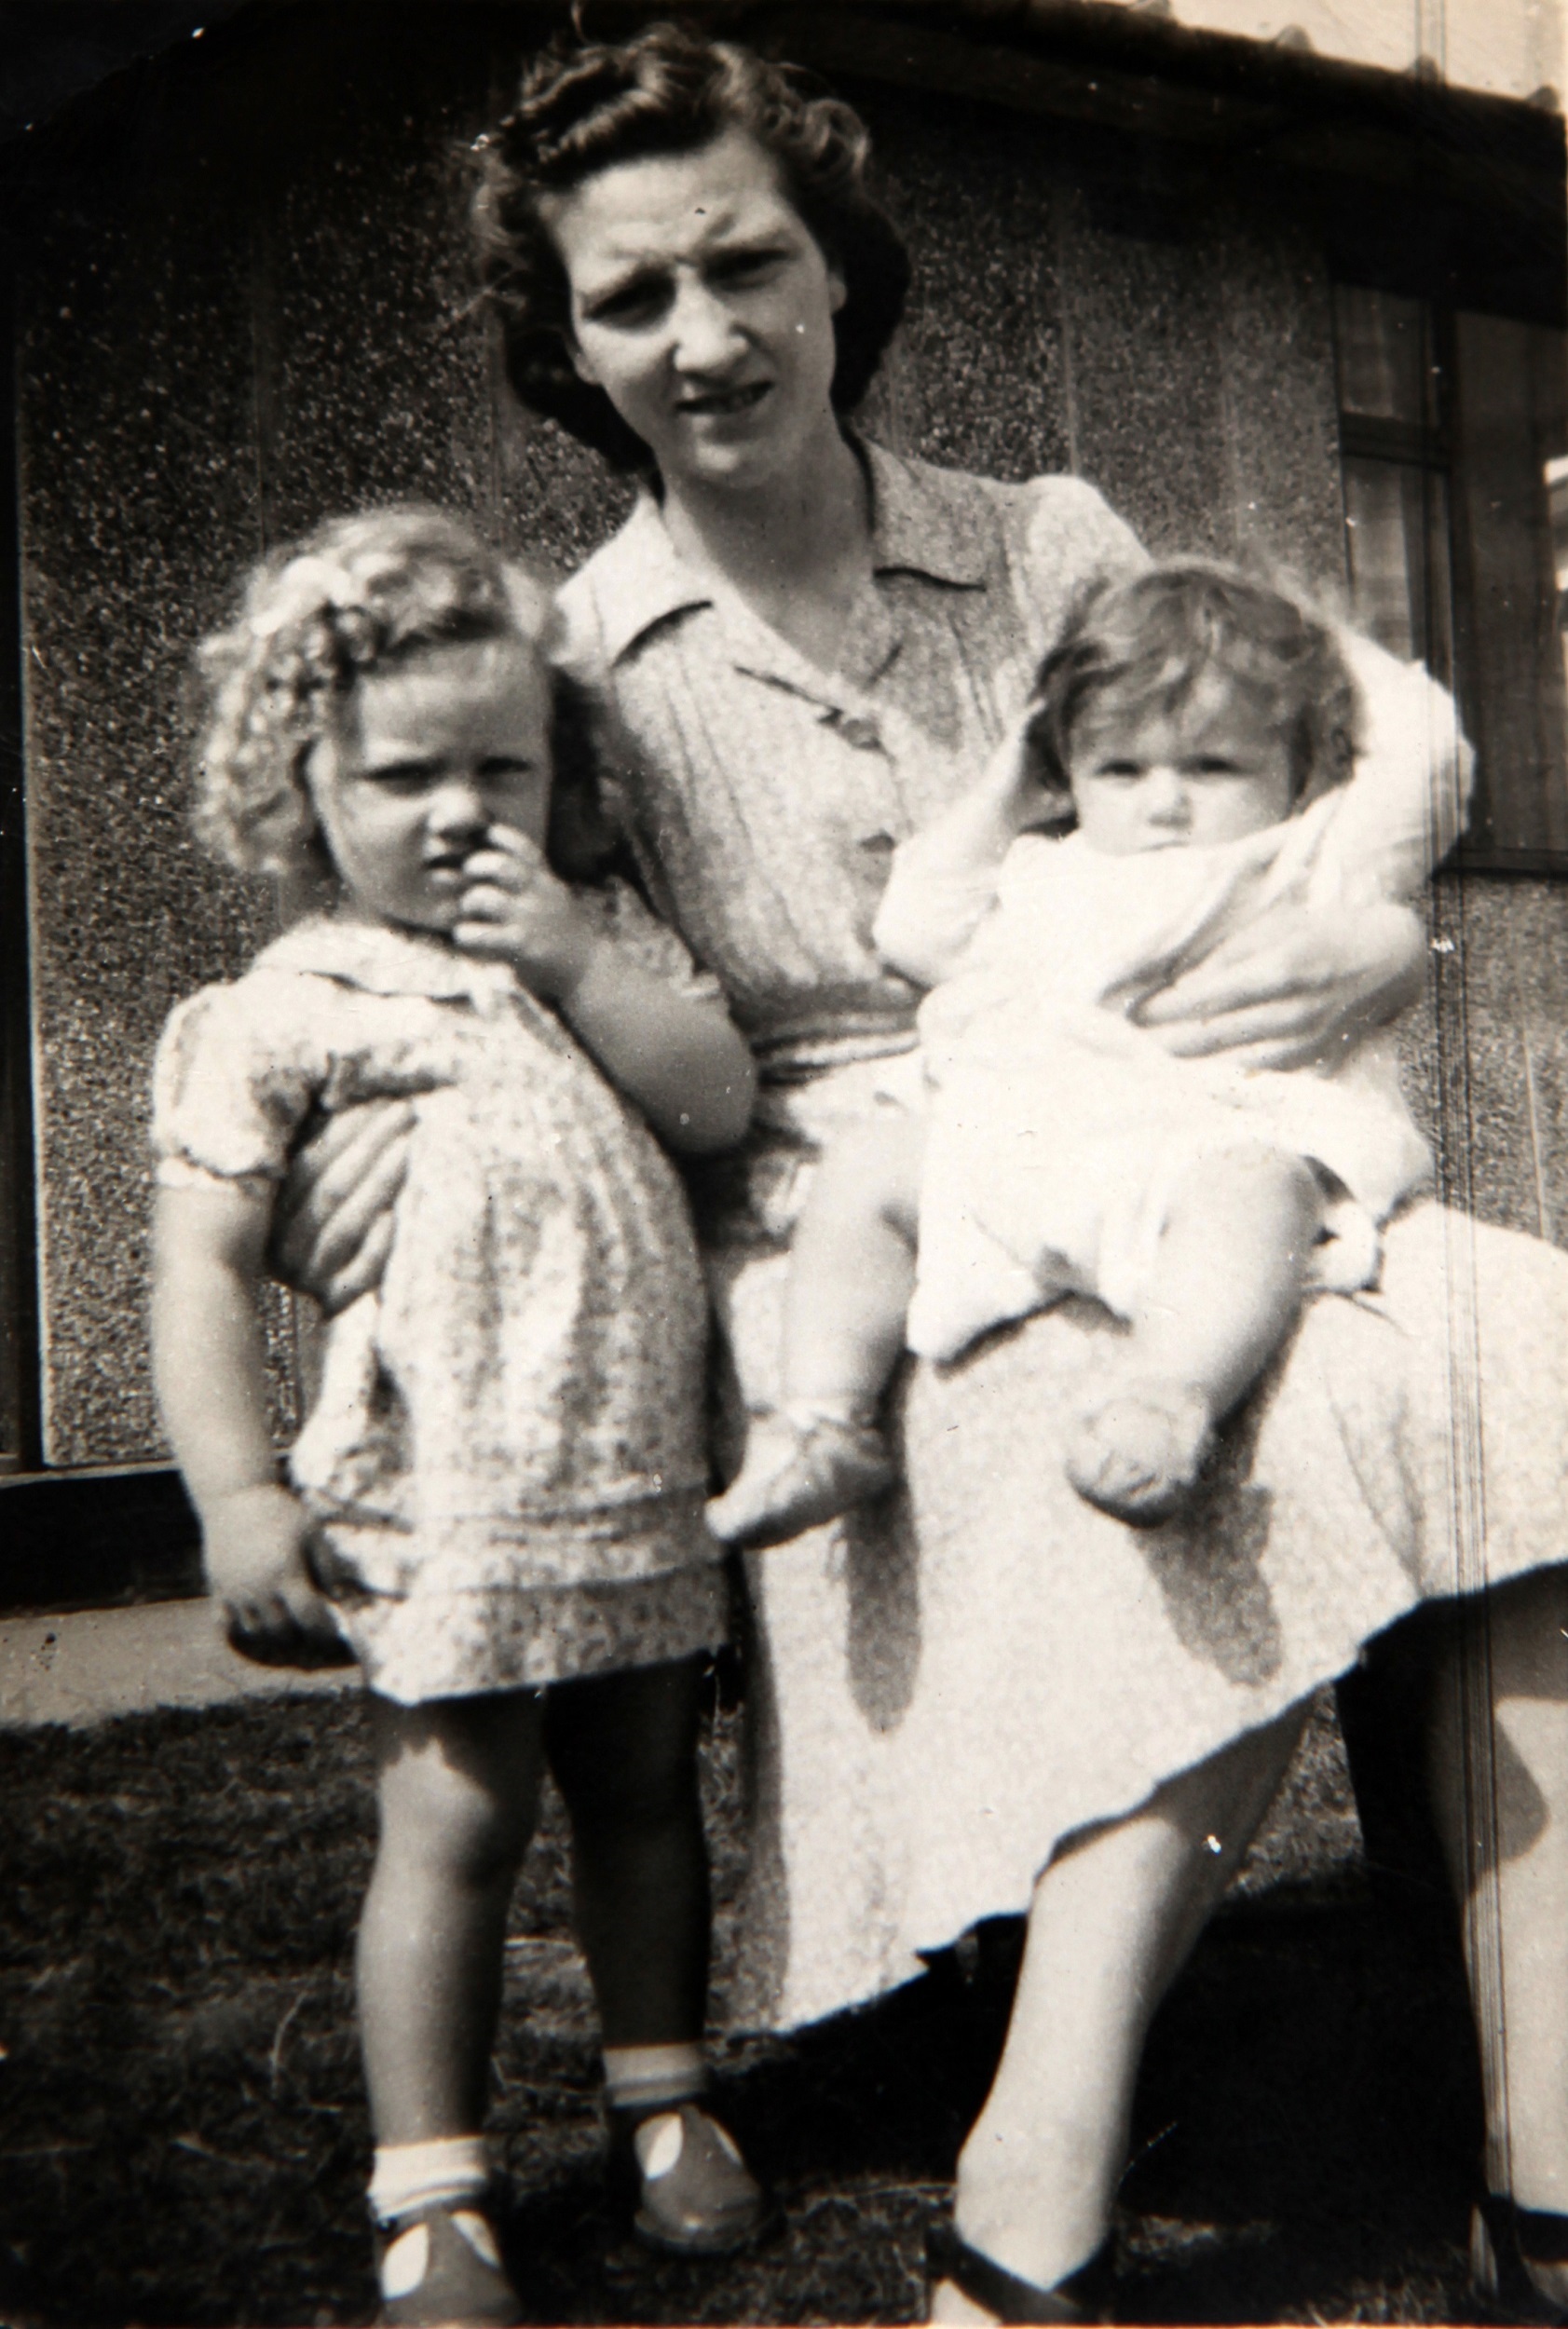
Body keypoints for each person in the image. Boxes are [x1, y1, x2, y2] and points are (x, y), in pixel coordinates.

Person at [277, 25, 1568, 2322]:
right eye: (630, 299)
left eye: (748, 264)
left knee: (1518, 1338)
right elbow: (643, 1067)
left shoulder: (1050, 539)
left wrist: (1374, 910)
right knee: (1279, 1418)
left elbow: (1345, 729)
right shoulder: (579, 663)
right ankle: (1037, 2163)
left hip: (1169, 1119)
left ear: (839, 270)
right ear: (562, 344)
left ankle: (1546, 2141)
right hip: (848, 1233)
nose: (706, 337)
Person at [148, 507, 768, 2329]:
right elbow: (200, 1264)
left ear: (561, 773)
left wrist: (582, 960)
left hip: (631, 1469)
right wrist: (238, 1493)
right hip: (441, 1484)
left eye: (501, 764)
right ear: (305, 791)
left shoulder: (602, 939)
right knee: (459, 1815)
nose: (458, 810)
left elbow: (717, 1100)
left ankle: (664, 2094)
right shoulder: (289, 1004)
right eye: (401, 773)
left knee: (647, 1795)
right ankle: (434, 2184)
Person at [709, 563, 1461, 1546]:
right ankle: (821, 1418)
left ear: (1299, 767)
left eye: (1212, 767)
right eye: (1122, 768)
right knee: (865, 1165)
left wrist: (1304, 629)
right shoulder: (1043, 866)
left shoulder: (1307, 855)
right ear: (1069, 767)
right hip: (1027, 1152)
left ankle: (1168, 1395)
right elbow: (914, 926)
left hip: (1203, 1147)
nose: (1165, 804)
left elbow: (1428, 749)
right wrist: (1013, 779)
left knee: (1257, 1187)